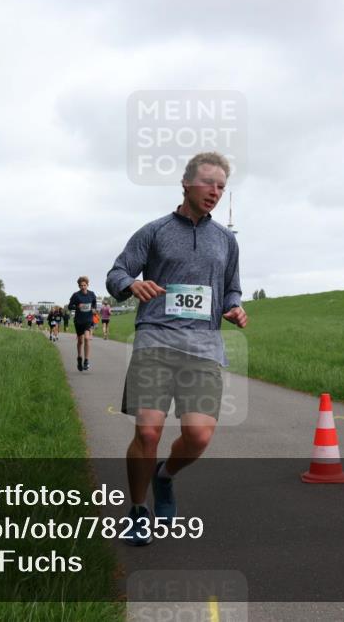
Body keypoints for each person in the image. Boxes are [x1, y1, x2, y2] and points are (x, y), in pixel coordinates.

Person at [106, 151, 247, 546]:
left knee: (199, 437)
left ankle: (164, 476)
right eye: (208, 183)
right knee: (148, 431)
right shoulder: (153, 231)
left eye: (221, 186)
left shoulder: (225, 241)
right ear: (186, 184)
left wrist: (234, 306)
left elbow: (232, 285)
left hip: (203, 346)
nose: (215, 192)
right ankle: (137, 510)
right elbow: (117, 271)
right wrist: (131, 285)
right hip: (155, 337)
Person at [69, 277, 99, 371]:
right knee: (80, 341)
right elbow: (70, 306)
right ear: (79, 286)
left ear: (87, 285)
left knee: (86, 338)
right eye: (81, 285)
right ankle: (79, 358)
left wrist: (94, 309)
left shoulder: (92, 294)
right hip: (78, 320)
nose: (83, 287)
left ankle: (86, 360)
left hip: (88, 319)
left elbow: (94, 304)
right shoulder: (76, 295)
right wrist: (77, 306)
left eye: (84, 285)